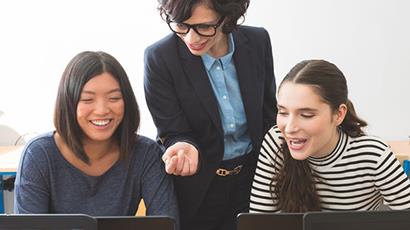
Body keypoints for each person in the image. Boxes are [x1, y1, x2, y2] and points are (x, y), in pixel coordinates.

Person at [143, 0, 277, 229]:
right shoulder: (160, 57)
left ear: (227, 17)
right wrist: (183, 146)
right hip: (199, 187)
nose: (191, 39)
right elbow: (173, 131)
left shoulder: (257, 42)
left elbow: (269, 115)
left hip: (255, 180)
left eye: (204, 27)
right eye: (181, 25)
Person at [14, 51, 179, 224]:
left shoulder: (146, 153)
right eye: (87, 99)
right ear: (68, 103)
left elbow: (168, 223)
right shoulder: (39, 155)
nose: (101, 110)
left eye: (114, 98)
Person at [250, 59, 410, 213]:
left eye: (306, 115)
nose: (290, 128)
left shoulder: (373, 155)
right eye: (283, 112)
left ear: (338, 114)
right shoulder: (275, 140)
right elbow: (258, 222)